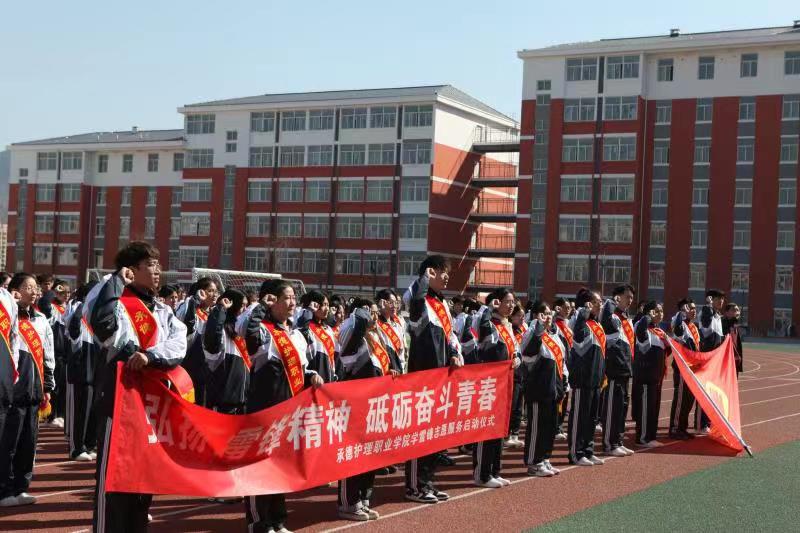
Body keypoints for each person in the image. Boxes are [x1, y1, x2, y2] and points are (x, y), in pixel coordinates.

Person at [90, 241, 187, 531]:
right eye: (151, 265)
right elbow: (104, 328)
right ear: (131, 270)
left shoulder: (163, 311)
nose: (158, 270)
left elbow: (178, 345)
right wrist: (116, 281)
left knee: (143, 478)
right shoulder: (116, 300)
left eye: (158, 264)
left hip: (150, 405)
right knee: (114, 477)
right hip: (120, 401)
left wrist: (150, 356)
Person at [243, 279, 324, 533]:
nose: (292, 303)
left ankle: (277, 520)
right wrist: (260, 307)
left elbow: (300, 368)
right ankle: (259, 522)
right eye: (286, 298)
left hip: (289, 411)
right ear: (273, 301)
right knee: (261, 466)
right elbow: (251, 339)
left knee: (281, 466)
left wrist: (312, 375)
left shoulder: (296, 334)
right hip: (265, 410)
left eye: (293, 298)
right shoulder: (264, 331)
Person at [403, 255, 462, 504]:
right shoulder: (416, 294)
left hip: (441, 376)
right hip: (422, 375)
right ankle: (414, 486)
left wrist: (455, 353)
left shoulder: (442, 303)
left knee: (435, 433)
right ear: (430, 272)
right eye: (442, 271)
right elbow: (414, 311)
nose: (446, 276)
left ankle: (427, 482)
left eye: (447, 272)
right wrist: (423, 281)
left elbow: (450, 336)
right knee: (420, 432)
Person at [336, 298, 401, 521]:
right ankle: (348, 503)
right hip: (357, 404)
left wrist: (389, 372)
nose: (374, 317)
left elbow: (380, 365)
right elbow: (357, 324)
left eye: (375, 312)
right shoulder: (351, 336)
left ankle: (364, 497)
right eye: (370, 312)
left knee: (371, 453)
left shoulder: (375, 337)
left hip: (376, 406)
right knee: (354, 453)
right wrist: (361, 311)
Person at [0, 273, 55, 507]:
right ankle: (4, 490)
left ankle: (21, 487)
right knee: (7, 443)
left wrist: (48, 385)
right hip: (12, 391)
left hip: (34, 391)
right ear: (15, 290)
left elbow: (48, 354)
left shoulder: (41, 320)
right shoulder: (7, 315)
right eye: (28, 287)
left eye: (35, 288)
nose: (34, 292)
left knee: (28, 443)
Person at [473, 287, 520, 488]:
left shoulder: (507, 325)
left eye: (512, 302)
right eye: (507, 301)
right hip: (489, 384)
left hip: (505, 382)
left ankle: (494, 470)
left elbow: (515, 349)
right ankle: (482, 474)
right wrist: (487, 308)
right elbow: (481, 334)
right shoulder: (489, 323)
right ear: (497, 302)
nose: (511, 305)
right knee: (487, 428)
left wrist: (516, 358)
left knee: (500, 428)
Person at [520, 300, 565, 477]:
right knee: (537, 427)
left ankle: (545, 457)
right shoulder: (531, 332)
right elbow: (528, 355)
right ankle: (533, 462)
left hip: (553, 389)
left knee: (550, 427)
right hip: (539, 389)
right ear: (536, 315)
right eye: (543, 314)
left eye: (549, 313)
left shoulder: (553, 334)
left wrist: (563, 383)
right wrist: (539, 329)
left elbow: (562, 361)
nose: (547, 317)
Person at [567, 288, 606, 466]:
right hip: (583, 378)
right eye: (596, 302)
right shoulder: (578, 321)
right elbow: (579, 342)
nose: (600, 305)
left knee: (591, 417)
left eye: (600, 302)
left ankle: (588, 450)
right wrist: (583, 315)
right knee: (580, 416)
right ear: (587, 304)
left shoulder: (597, 324)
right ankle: (576, 452)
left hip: (596, 378)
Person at [599, 285, 636, 458]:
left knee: (622, 407)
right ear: (617, 297)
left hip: (625, 369)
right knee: (612, 408)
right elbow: (606, 320)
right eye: (627, 297)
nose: (630, 300)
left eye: (631, 297)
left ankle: (618, 441)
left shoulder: (626, 318)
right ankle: (609, 443)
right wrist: (610, 302)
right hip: (614, 369)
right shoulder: (610, 314)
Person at [65, 282, 100, 462]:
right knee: (80, 410)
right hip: (81, 367)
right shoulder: (77, 309)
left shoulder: (97, 312)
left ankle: (88, 444)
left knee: (93, 409)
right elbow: (72, 329)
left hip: (96, 365)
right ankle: (76, 448)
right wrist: (83, 305)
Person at [202, 288, 250, 414]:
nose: (245, 310)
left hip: (243, 402)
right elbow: (212, 342)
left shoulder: (242, 331)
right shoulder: (221, 330)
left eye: (247, 306)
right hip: (223, 404)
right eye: (242, 306)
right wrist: (221, 309)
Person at [632, 301, 671, 448]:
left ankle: (651, 436)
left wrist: (668, 343)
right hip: (645, 375)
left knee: (653, 407)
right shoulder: (641, 325)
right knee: (645, 407)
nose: (660, 314)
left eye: (661, 311)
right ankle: (642, 438)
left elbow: (665, 352)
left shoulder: (659, 331)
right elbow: (641, 333)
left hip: (656, 376)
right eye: (656, 311)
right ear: (648, 313)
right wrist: (647, 317)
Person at [178, 277, 219, 406]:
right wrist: (195, 301)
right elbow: (186, 325)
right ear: (201, 292)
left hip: (207, 368)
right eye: (210, 291)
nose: (214, 294)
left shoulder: (214, 313)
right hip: (190, 364)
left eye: (216, 291)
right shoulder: (189, 307)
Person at [37, 278, 71, 429]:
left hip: (66, 354)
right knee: (54, 386)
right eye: (63, 292)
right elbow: (43, 303)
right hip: (54, 353)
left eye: (68, 292)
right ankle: (51, 416)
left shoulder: (69, 308)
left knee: (63, 387)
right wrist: (52, 291)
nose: (66, 295)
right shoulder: (51, 307)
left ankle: (60, 414)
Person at [668, 298, 700, 440]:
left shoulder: (693, 326)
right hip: (682, 367)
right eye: (690, 308)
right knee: (681, 399)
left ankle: (682, 427)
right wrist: (681, 314)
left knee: (689, 400)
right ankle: (675, 429)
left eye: (694, 308)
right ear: (683, 309)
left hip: (693, 368)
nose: (694, 311)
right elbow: (678, 332)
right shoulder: (678, 322)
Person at [697, 289, 726, 433]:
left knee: (712, 392)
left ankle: (708, 421)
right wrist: (708, 307)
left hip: (716, 360)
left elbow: (719, 339)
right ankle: (701, 424)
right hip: (706, 358)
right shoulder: (705, 313)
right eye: (717, 298)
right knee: (704, 391)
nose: (721, 301)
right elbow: (706, 328)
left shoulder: (718, 317)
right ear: (710, 299)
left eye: (722, 299)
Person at [295, 290, 340, 383]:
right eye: (323, 305)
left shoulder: (328, 329)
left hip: (328, 381)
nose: (327, 309)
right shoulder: (305, 328)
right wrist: (309, 311)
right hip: (313, 381)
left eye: (328, 305)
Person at [505, 303, 526, 449]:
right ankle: (506, 434)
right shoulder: (509, 331)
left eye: (523, 316)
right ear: (512, 317)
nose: (522, 318)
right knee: (511, 406)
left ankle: (515, 434)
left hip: (521, 373)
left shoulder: (522, 331)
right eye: (519, 316)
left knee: (518, 406)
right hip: (511, 374)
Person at [552, 298, 572, 440]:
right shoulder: (555, 325)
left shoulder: (567, 324)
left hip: (568, 365)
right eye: (565, 307)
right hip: (559, 365)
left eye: (569, 307)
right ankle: (555, 426)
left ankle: (559, 425)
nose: (568, 310)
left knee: (565, 396)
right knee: (559, 396)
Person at [375, 289, 405, 376]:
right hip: (387, 371)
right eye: (390, 302)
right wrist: (379, 308)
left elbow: (401, 351)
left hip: (399, 368)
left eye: (396, 303)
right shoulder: (376, 323)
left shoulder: (397, 324)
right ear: (382, 303)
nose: (394, 306)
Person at [722, 303, 743, 376]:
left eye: (737, 310)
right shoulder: (722, 323)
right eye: (733, 310)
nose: (737, 312)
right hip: (725, 359)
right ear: (727, 313)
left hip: (735, 360)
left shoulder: (735, 325)